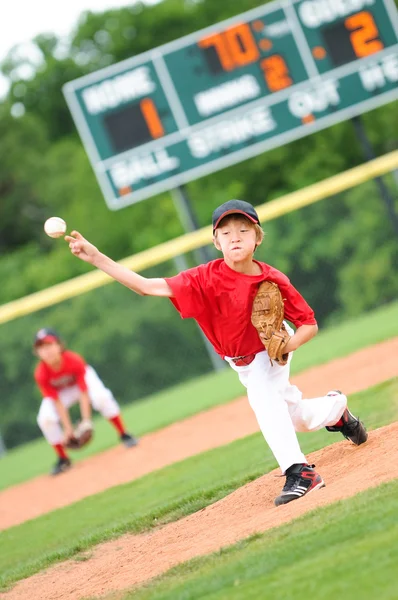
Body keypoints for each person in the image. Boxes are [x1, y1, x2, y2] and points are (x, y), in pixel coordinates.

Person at [65, 199, 367, 505]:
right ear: (215, 241)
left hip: (268, 351)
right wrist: (98, 259)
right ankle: (336, 410)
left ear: (257, 237)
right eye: (225, 232)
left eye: (243, 229)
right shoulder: (202, 278)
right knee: (293, 415)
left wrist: (284, 346)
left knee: (264, 403)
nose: (234, 236)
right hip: (241, 362)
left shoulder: (271, 279)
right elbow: (146, 286)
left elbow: (309, 324)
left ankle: (300, 472)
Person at [34, 328, 139, 475]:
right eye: (41, 348)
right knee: (45, 418)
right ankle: (63, 458)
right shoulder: (41, 373)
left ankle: (124, 434)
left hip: (81, 383)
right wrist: (68, 429)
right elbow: (56, 402)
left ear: (59, 345)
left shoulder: (74, 360)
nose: (47, 351)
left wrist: (86, 421)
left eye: (49, 345)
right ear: (37, 353)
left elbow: (84, 392)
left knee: (101, 397)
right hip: (61, 393)